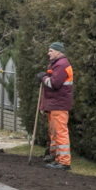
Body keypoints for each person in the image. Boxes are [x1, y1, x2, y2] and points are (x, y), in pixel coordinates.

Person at [38, 41, 74, 170]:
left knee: (60, 133)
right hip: (55, 104)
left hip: (59, 105)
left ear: (59, 52)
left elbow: (54, 84)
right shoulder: (57, 64)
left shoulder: (61, 65)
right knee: (55, 132)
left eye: (51, 51)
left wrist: (43, 78)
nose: (48, 53)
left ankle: (64, 162)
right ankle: (57, 158)